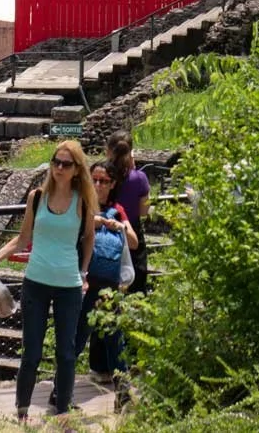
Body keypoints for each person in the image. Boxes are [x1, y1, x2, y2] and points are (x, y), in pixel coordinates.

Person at [0, 140, 95, 419]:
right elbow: (23, 238)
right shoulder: (37, 197)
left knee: (66, 353)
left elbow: (89, 239)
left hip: (68, 285)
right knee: (31, 352)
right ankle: (21, 412)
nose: (59, 168)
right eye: (56, 161)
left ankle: (62, 413)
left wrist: (83, 272)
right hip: (36, 280)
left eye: (66, 164)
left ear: (76, 169)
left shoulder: (82, 202)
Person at [81, 159, 141, 386]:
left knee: (114, 334)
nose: (98, 185)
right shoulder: (81, 205)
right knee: (78, 337)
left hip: (108, 283)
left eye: (104, 181)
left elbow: (134, 242)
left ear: (112, 183)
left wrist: (119, 226)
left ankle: (123, 390)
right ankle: (60, 390)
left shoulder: (117, 211)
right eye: (94, 180)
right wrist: (93, 222)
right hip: (84, 282)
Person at [105, 132, 152, 293]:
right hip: (132, 235)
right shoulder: (140, 178)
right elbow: (144, 211)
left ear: (108, 151)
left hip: (105, 232)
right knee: (135, 290)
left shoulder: (102, 177)